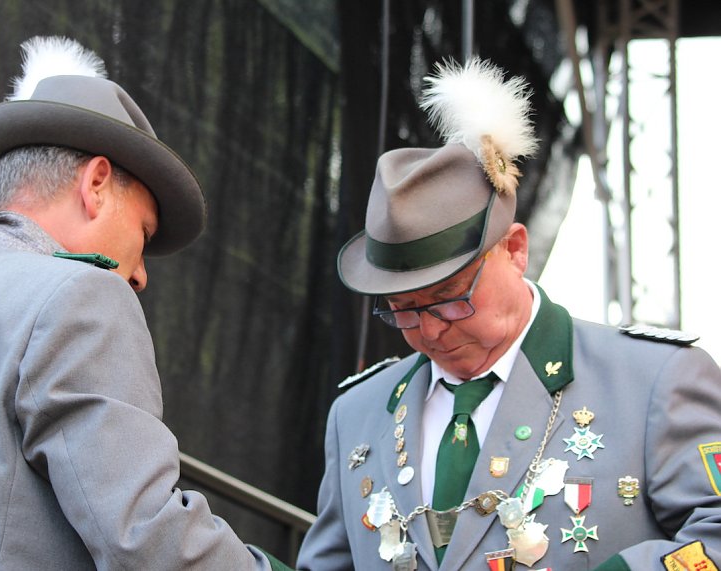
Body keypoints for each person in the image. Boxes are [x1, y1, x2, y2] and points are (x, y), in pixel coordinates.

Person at [0, 36, 289, 570]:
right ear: (97, 183)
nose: (140, 274)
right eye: (144, 232)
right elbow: (145, 536)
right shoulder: (78, 294)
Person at [297, 57, 721, 571]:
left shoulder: (652, 380)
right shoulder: (357, 413)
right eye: (403, 310)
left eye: (451, 297)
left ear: (516, 249)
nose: (430, 329)